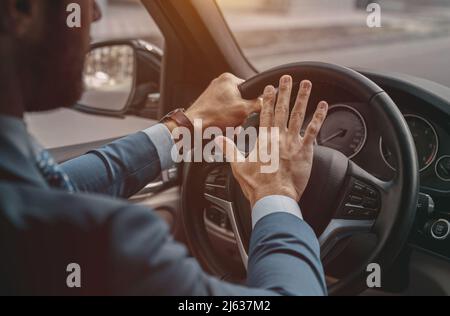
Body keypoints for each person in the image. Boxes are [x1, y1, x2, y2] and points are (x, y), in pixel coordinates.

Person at [0, 0, 329, 295]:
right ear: (21, 8)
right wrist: (276, 194)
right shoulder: (104, 240)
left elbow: (56, 185)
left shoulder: (19, 189)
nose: (96, 14)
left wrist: (188, 124)